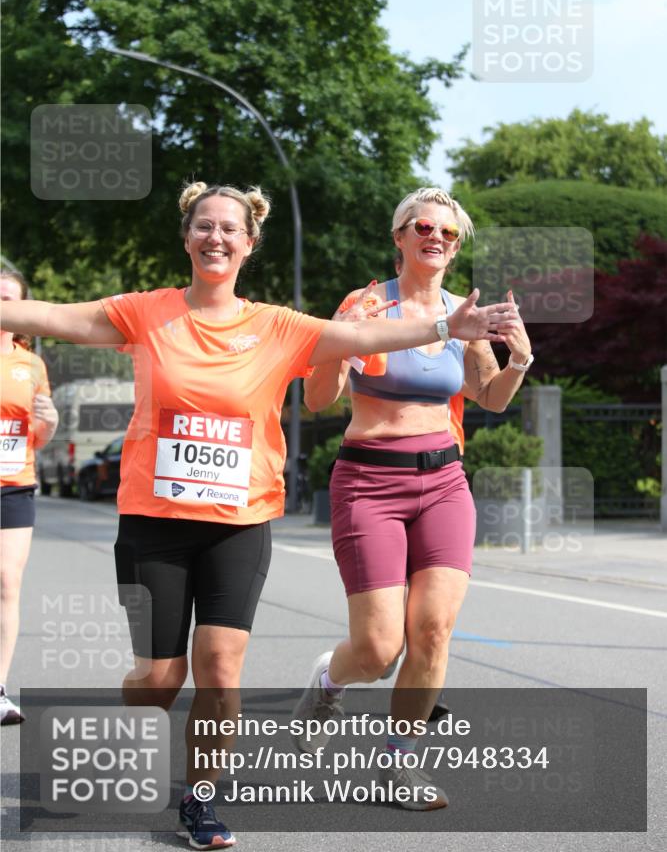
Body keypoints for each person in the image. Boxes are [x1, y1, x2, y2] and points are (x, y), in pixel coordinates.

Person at [0, 182, 516, 848]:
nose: (216, 238)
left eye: (229, 229)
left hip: (239, 524)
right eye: (204, 227)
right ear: (186, 237)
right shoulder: (144, 312)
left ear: (249, 243)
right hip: (154, 522)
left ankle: (201, 799)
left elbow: (363, 335)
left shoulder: (277, 326)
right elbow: (50, 315)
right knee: (159, 678)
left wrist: (449, 326)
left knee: (219, 667)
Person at [294, 186, 532, 810]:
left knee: (431, 631)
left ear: (456, 248)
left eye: (449, 234)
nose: (437, 238)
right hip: (369, 481)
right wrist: (338, 341)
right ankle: (328, 679)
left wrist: (520, 362)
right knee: (377, 649)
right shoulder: (366, 304)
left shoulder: (466, 313)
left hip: (445, 483)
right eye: (424, 226)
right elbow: (319, 399)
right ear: (398, 237)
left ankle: (399, 764)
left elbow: (491, 397)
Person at [1, 269, 58, 725]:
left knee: (7, 583)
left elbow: (35, 436)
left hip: (14, 484)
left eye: (8, 299)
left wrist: (50, 423)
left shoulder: (31, 364)